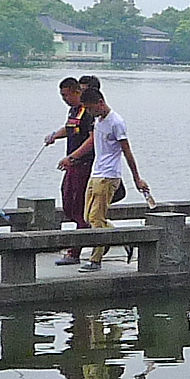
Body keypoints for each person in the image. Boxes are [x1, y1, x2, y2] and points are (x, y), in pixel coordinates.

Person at [60, 85, 151, 271]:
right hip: (96, 173)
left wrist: (137, 178)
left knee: (96, 217)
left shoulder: (116, 122)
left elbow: (127, 151)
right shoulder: (98, 121)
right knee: (87, 217)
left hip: (109, 176)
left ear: (101, 103)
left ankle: (95, 260)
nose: (91, 113)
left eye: (92, 109)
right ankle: (122, 239)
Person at [43, 75, 98, 265]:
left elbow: (93, 139)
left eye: (66, 95)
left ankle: (75, 252)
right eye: (61, 96)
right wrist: (54, 136)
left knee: (80, 208)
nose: (64, 99)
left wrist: (73, 156)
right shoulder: (73, 111)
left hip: (84, 165)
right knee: (68, 204)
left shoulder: (88, 111)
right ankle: (99, 236)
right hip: (72, 166)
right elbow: (69, 129)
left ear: (76, 91)